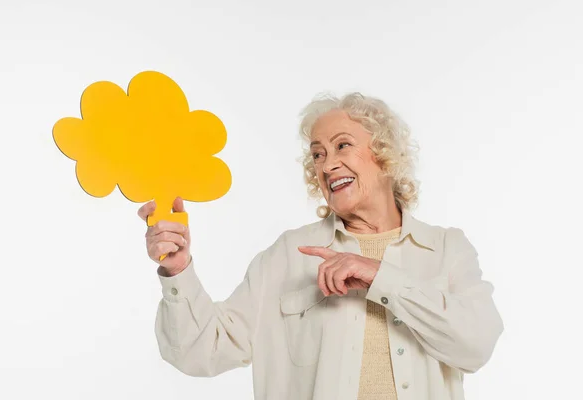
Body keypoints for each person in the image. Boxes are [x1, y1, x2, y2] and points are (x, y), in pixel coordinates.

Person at [137, 92, 504, 400]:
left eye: (342, 145)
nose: (327, 165)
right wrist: (177, 270)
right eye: (317, 154)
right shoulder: (289, 254)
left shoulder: (446, 249)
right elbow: (200, 351)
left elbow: (476, 346)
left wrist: (381, 277)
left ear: (385, 153)